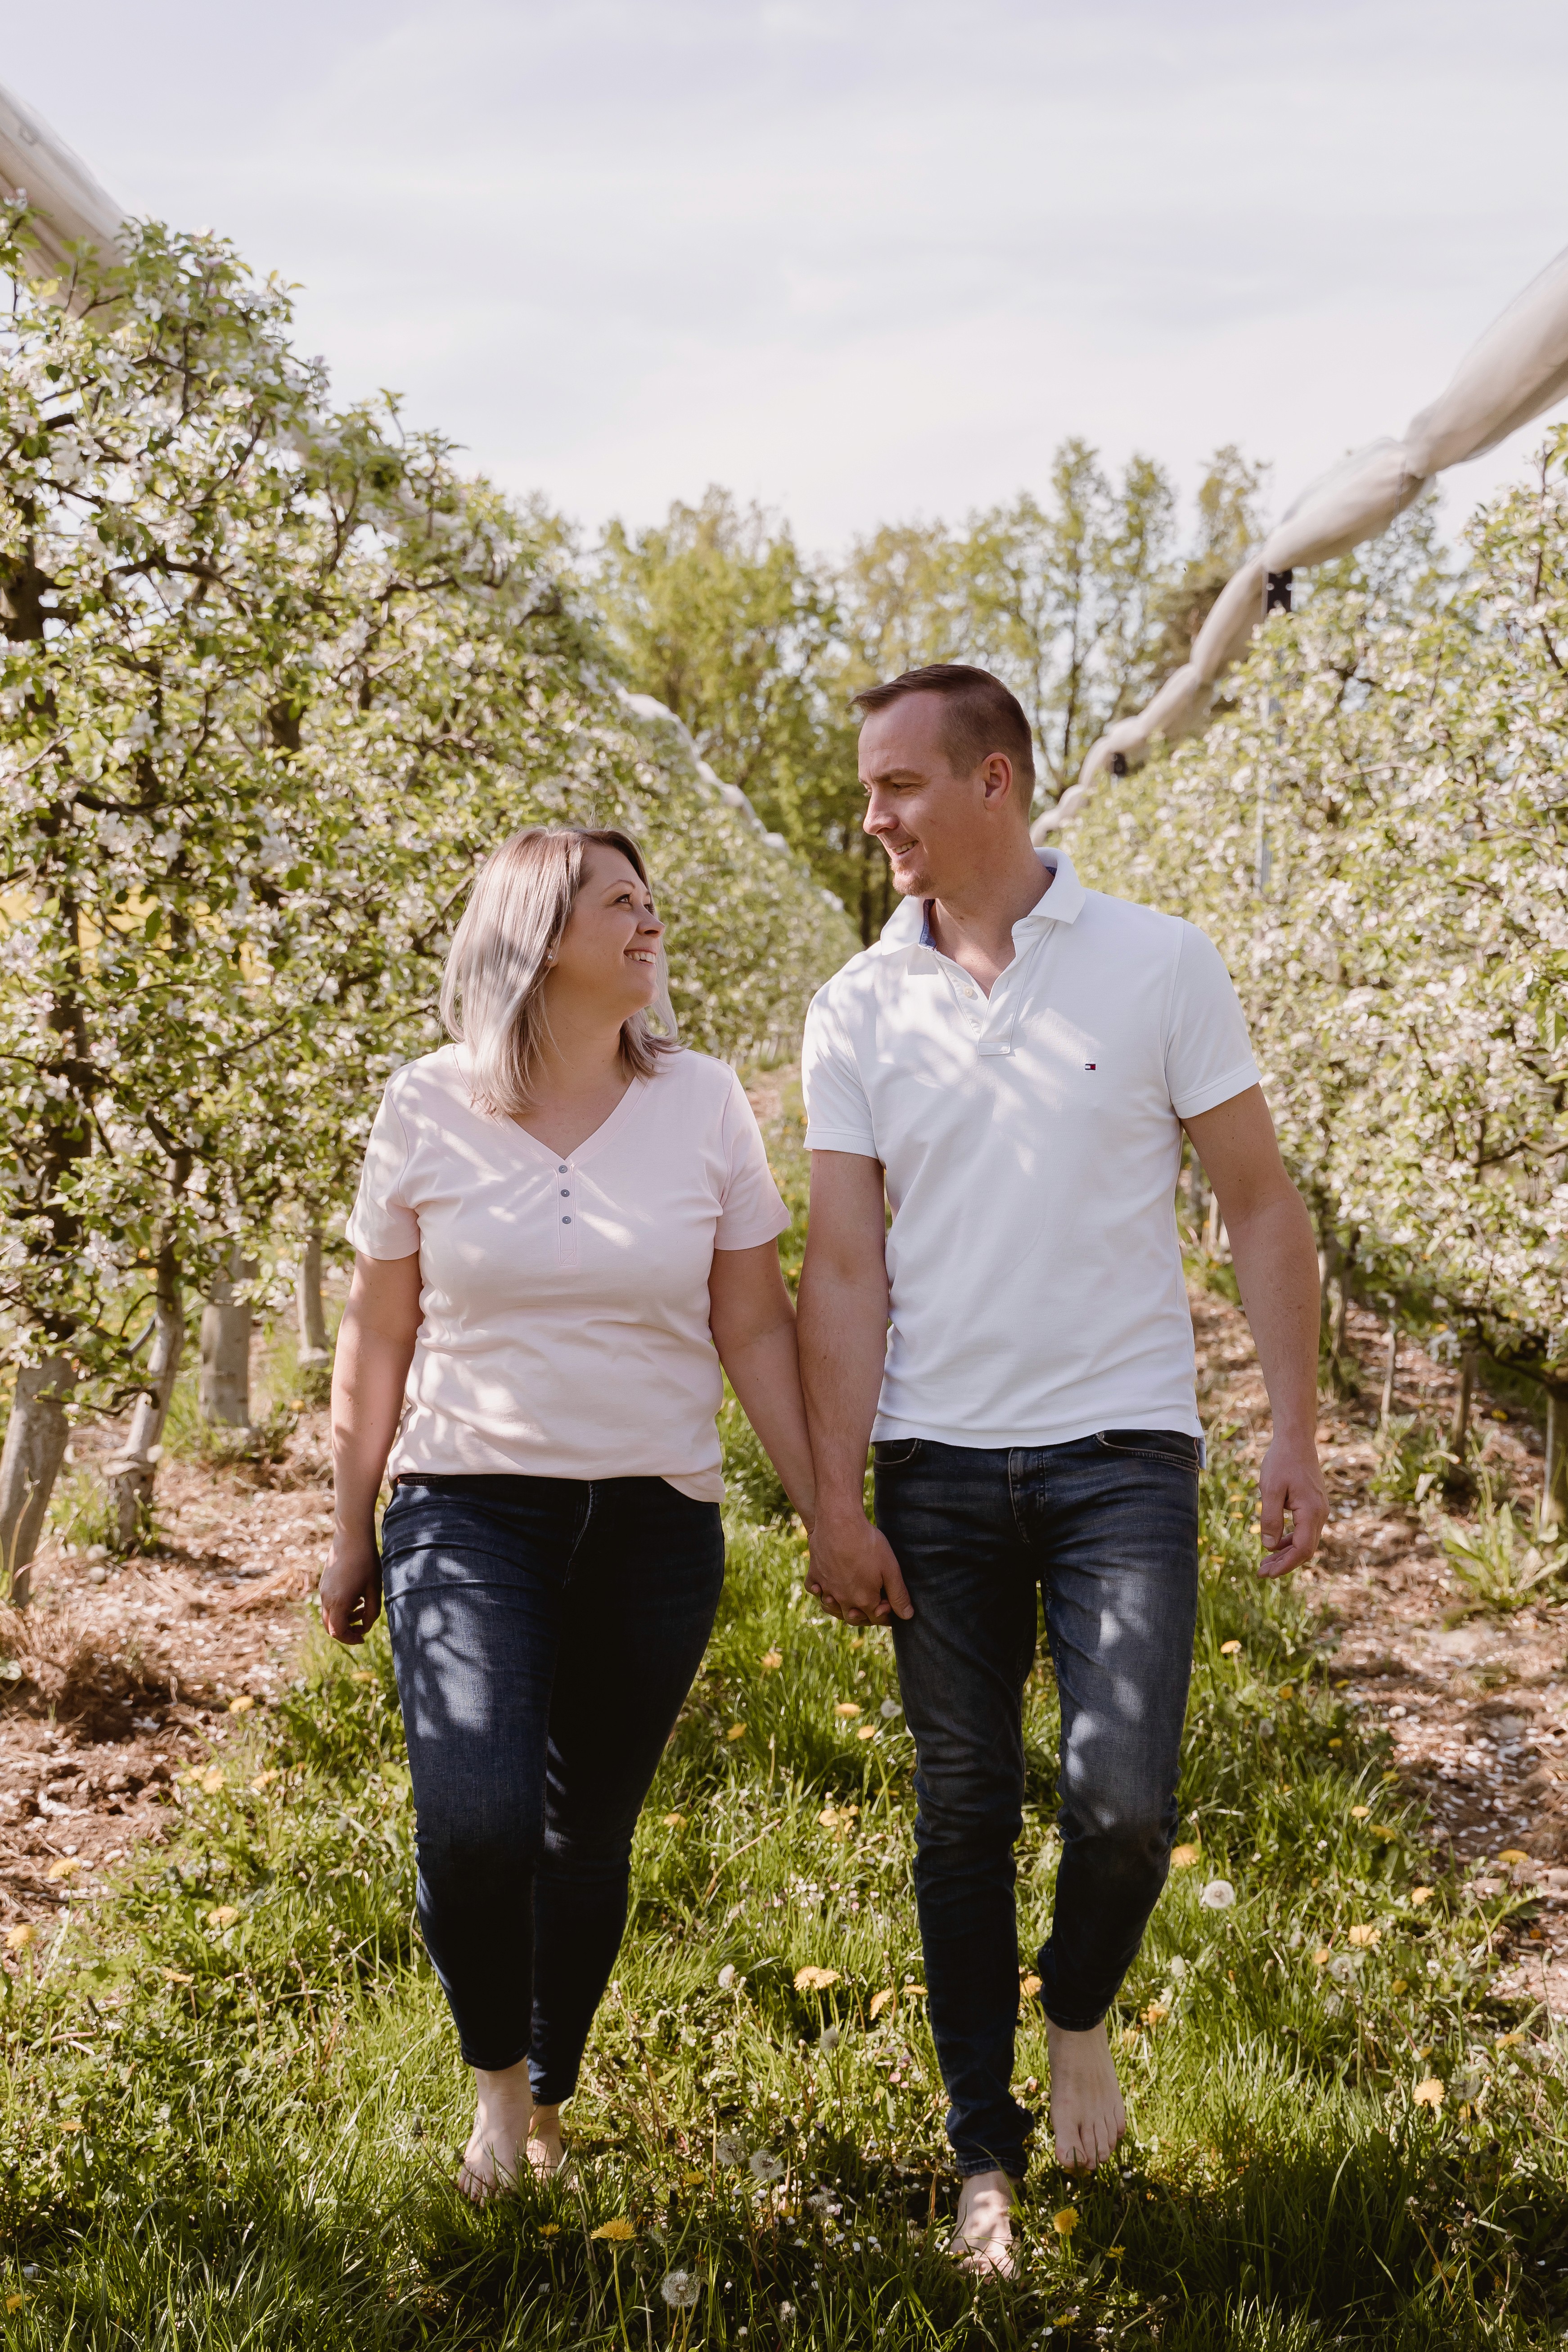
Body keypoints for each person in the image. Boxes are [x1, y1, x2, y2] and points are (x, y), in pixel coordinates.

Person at [795, 665, 1327, 2273]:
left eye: (895, 785)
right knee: (960, 1812)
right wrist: (835, 1496)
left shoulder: (1158, 964)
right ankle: (981, 2159)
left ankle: (1076, 2006)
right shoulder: (855, 1005)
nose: (872, 815)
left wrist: (1290, 1418)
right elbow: (839, 1265)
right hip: (938, 1460)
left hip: (1121, 1451)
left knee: (1121, 1804)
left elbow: (1255, 1199)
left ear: (995, 782)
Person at [320, 825, 815, 2201]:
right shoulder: (425, 1105)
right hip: (467, 1507)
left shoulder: (706, 1099)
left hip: (654, 1516)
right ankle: (493, 2084)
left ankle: (548, 2087)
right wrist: (349, 1519)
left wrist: (828, 1505)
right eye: (624, 909)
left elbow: (754, 1327)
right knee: (474, 1822)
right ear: (539, 938)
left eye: (651, 907)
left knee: (583, 1832)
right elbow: (376, 1332)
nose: (651, 930)